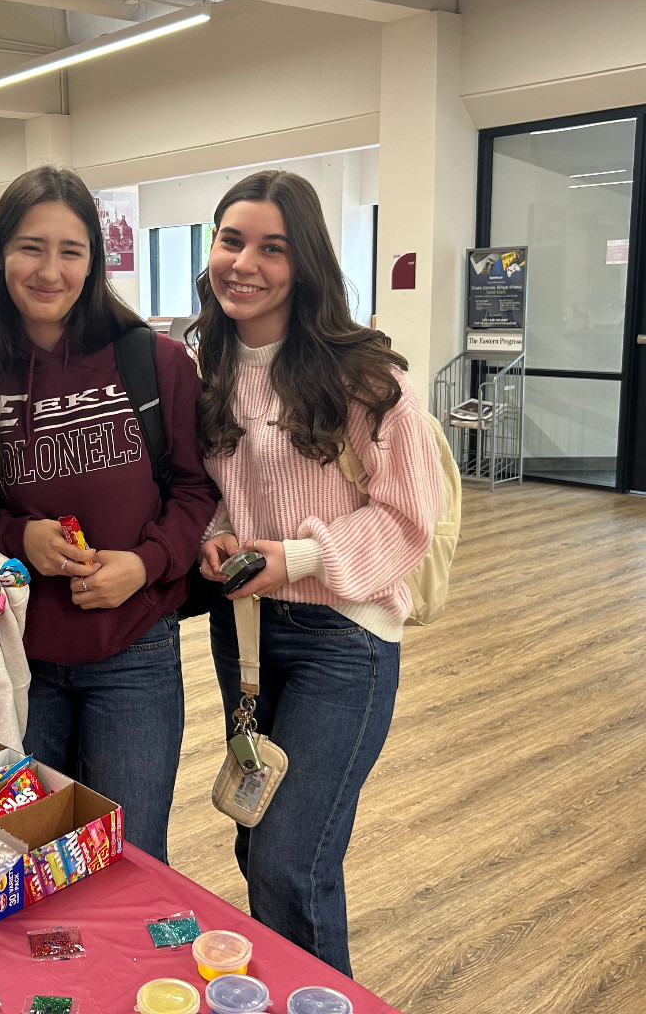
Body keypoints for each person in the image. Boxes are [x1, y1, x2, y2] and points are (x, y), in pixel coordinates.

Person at [195, 170, 442, 976]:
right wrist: (215, 538)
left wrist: (297, 557)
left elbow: (409, 515)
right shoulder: (207, 367)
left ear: (304, 265)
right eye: (232, 241)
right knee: (256, 834)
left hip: (344, 639)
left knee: (289, 860)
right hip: (246, 635)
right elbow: (216, 492)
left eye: (272, 248)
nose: (245, 264)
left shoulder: (364, 377)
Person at [0, 166, 218, 864]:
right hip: (18, 653)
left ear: (95, 261)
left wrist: (144, 565)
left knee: (132, 860)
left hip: (135, 652)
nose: (49, 270)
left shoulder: (156, 361)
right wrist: (17, 536)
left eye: (71, 250)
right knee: (23, 853)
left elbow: (195, 490)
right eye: (30, 247)